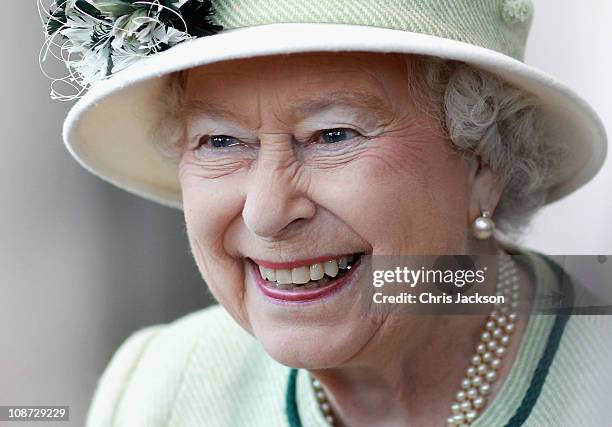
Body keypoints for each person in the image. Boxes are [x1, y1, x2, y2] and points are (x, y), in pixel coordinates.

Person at [41, 0, 611, 425]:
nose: (266, 213)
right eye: (219, 141)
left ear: (484, 161)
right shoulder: (161, 385)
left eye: (332, 134)